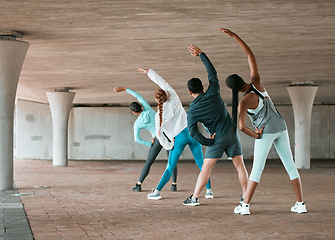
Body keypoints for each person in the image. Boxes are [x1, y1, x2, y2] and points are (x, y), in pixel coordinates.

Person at [221, 27, 307, 215]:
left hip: (265, 132)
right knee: (290, 166)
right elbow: (250, 55)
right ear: (242, 80)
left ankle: (244, 206)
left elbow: (241, 126)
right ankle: (300, 204)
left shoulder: (243, 102)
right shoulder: (257, 84)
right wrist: (235, 36)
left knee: (257, 170)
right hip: (281, 127)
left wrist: (256, 134)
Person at [182, 45, 249, 206]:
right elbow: (212, 73)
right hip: (232, 133)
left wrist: (208, 142)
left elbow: (193, 133)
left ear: (190, 92)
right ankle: (246, 196)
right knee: (240, 166)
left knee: (206, 169)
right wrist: (201, 55)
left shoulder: (192, 110)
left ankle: (194, 198)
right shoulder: (213, 91)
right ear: (203, 87)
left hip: (216, 138)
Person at [137, 67, 213, 201]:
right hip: (192, 132)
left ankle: (157, 192)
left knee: (170, 167)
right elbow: (161, 82)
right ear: (166, 94)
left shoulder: (159, 115)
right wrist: (149, 72)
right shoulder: (173, 95)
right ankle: (209, 191)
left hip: (179, 138)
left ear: (157, 100)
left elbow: (160, 136)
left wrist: (169, 145)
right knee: (202, 164)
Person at [113, 87, 177, 192]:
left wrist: (149, 143)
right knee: (171, 161)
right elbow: (138, 95)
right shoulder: (147, 109)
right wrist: (125, 89)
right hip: (168, 136)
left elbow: (137, 139)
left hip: (157, 139)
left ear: (133, 112)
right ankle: (174, 185)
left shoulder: (137, 124)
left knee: (149, 162)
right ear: (141, 107)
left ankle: (139, 185)